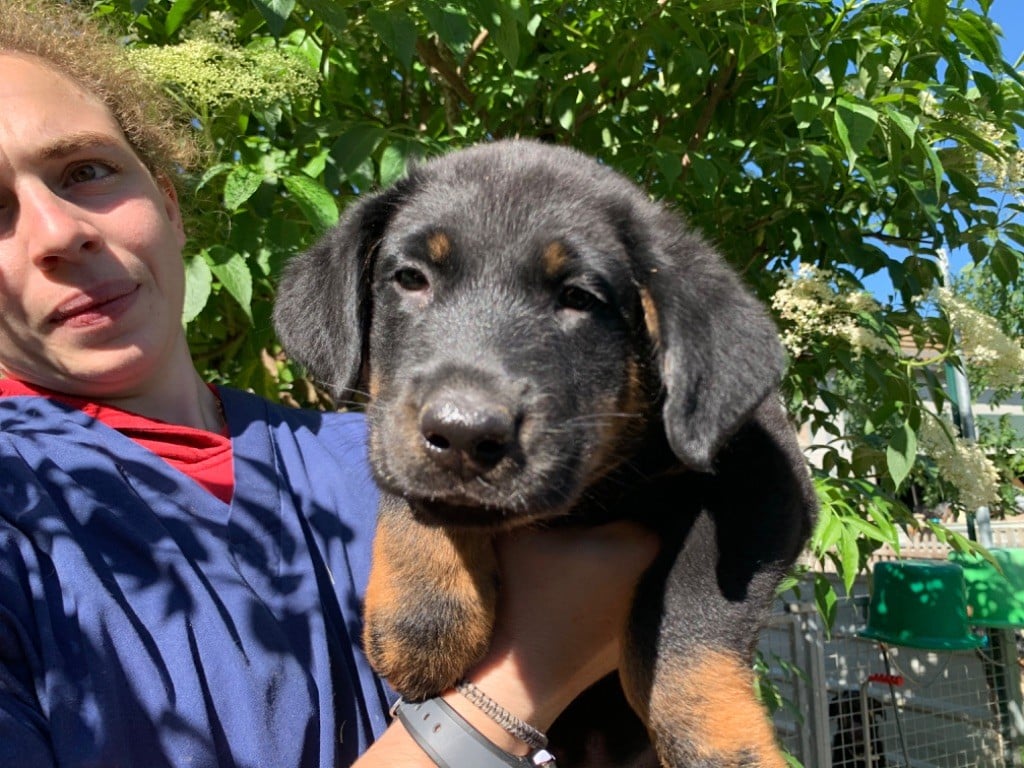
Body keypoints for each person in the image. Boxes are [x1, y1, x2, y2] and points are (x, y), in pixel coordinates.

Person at [0, 2, 657, 767]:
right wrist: (518, 686)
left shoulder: (391, 451)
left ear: (169, 206)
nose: (61, 232)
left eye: (86, 171)